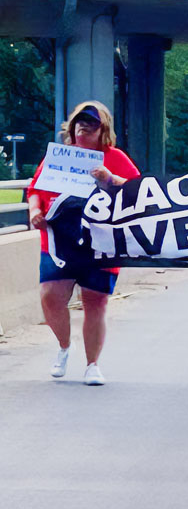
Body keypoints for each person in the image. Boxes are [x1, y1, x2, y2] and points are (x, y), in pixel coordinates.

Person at [26, 101, 139, 385]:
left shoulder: (114, 157)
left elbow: (139, 190)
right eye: (79, 124)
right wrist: (35, 211)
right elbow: (35, 189)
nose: (83, 129)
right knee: (50, 296)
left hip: (101, 241)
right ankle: (64, 346)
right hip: (58, 240)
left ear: (103, 130)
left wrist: (110, 178)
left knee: (95, 301)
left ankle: (92, 365)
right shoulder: (60, 155)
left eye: (91, 126)